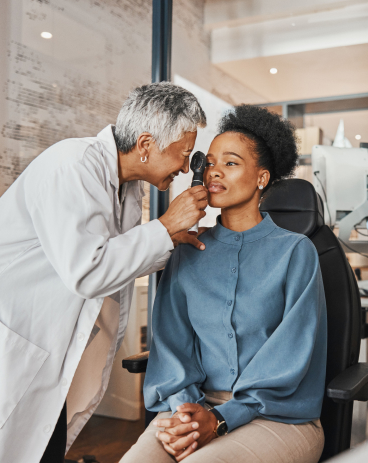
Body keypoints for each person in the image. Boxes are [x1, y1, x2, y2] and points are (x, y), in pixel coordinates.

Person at [0, 82, 209, 463]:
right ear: (145, 145)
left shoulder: (127, 188)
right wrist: (164, 226)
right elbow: (88, 271)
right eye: (184, 154)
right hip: (8, 335)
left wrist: (171, 239)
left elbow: (119, 260)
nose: (186, 167)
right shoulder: (71, 165)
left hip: (43, 348)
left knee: (42, 445)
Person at [121, 105, 327, 463]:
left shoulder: (296, 253)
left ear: (262, 178)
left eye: (230, 163)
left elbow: (289, 359)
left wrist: (218, 419)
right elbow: (172, 347)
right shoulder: (186, 250)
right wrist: (186, 412)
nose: (214, 172)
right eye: (210, 162)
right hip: (192, 406)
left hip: (276, 415)